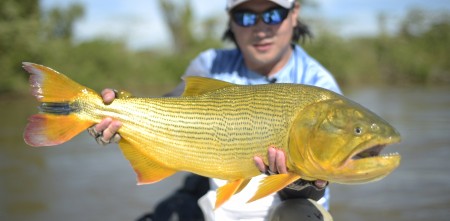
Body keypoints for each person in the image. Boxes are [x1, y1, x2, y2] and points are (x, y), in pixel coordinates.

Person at [89, 0, 341, 220]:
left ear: (294, 13)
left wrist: (300, 181)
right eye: (246, 17)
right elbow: (169, 106)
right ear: (230, 21)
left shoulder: (320, 87)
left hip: (288, 207)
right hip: (220, 202)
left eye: (273, 15)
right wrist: (121, 114)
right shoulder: (209, 64)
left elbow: (318, 191)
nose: (260, 27)